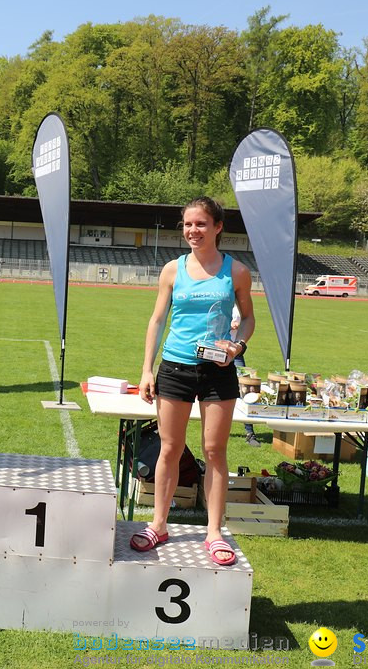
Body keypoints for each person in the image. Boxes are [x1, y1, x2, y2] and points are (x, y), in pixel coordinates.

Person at [131, 197, 254, 566]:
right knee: (170, 448)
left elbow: (248, 318)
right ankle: (159, 524)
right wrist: (146, 370)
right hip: (176, 367)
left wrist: (239, 345)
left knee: (215, 451)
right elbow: (156, 321)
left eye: (201, 224)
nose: (192, 231)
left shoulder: (237, 272)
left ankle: (214, 532)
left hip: (219, 369)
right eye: (187, 225)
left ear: (218, 227)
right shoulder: (172, 269)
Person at [231, 304, 260, 447]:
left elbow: (248, 321)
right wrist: (228, 326)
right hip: (216, 351)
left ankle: (250, 432)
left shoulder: (239, 304)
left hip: (235, 352)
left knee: (245, 390)